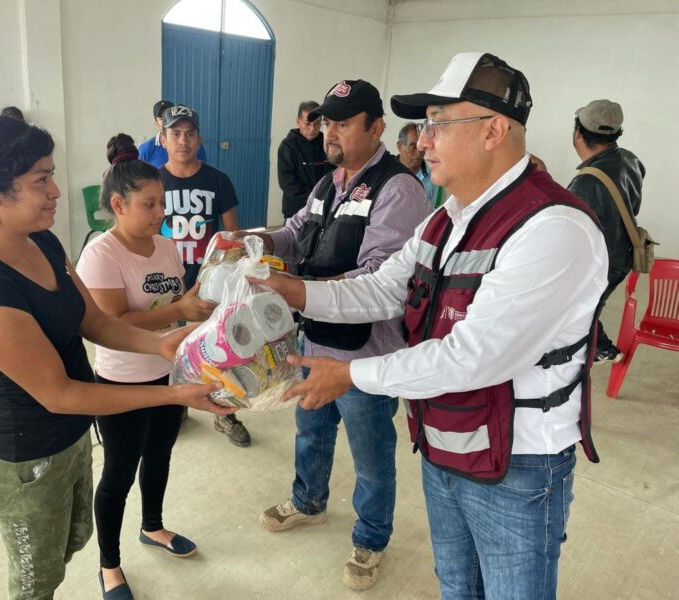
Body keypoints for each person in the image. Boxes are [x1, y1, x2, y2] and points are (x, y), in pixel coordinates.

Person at [258, 53, 608, 600]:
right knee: (455, 587)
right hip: (444, 444)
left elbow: (472, 356)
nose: (421, 142)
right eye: (424, 126)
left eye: (438, 124)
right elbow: (380, 287)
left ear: (494, 130)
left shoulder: (552, 228)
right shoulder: (445, 219)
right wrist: (290, 289)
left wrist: (352, 376)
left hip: (517, 467)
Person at [0, 116, 231, 600]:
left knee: (69, 546)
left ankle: (149, 527)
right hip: (26, 462)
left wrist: (165, 344)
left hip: (71, 443)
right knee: (37, 583)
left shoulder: (41, 242)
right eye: (41, 178)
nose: (57, 191)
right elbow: (60, 393)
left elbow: (95, 321)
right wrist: (174, 392)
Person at [253, 79, 430, 591]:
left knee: (371, 450)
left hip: (364, 355)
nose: (330, 131)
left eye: (344, 122)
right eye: (327, 121)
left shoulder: (398, 189)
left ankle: (372, 538)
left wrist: (300, 288)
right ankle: (308, 500)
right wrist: (253, 240)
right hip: (315, 339)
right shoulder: (328, 183)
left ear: (377, 127)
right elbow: (294, 233)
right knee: (311, 428)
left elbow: (379, 278)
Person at [76, 133, 217, 598]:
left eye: (162, 203)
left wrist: (194, 306)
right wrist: (178, 311)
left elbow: (176, 303)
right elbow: (111, 321)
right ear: (118, 204)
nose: (161, 213)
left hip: (168, 373)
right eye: (150, 204)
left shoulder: (165, 246)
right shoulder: (101, 253)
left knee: (160, 455)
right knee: (119, 471)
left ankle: (153, 527)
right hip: (121, 380)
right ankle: (109, 565)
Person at [159, 103, 250, 447]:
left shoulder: (217, 180)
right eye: (175, 133)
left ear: (199, 138)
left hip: (207, 284)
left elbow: (232, 237)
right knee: (168, 348)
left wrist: (228, 277)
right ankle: (178, 404)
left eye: (190, 133)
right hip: (164, 284)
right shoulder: (152, 181)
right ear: (163, 137)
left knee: (217, 350)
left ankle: (226, 414)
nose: (183, 140)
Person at [568, 99, 645, 364]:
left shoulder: (585, 183)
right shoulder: (630, 160)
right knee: (591, 306)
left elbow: (572, 235)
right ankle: (601, 347)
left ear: (578, 133)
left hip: (602, 262)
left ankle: (599, 349)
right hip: (624, 252)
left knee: (579, 305)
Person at [277, 100, 334, 222]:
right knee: (292, 240)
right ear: (298, 122)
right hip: (296, 210)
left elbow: (335, 173)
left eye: (317, 123)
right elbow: (287, 182)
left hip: (323, 209)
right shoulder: (288, 146)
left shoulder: (328, 143)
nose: (312, 129)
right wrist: (313, 200)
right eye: (308, 124)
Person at [137, 100, 206, 168]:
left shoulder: (194, 145)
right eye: (161, 118)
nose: (165, 122)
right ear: (156, 124)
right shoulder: (146, 149)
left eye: (169, 117)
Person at [396, 122, 443, 207]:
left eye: (421, 147)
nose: (419, 153)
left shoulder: (434, 176)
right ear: (399, 147)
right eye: (413, 147)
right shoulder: (385, 174)